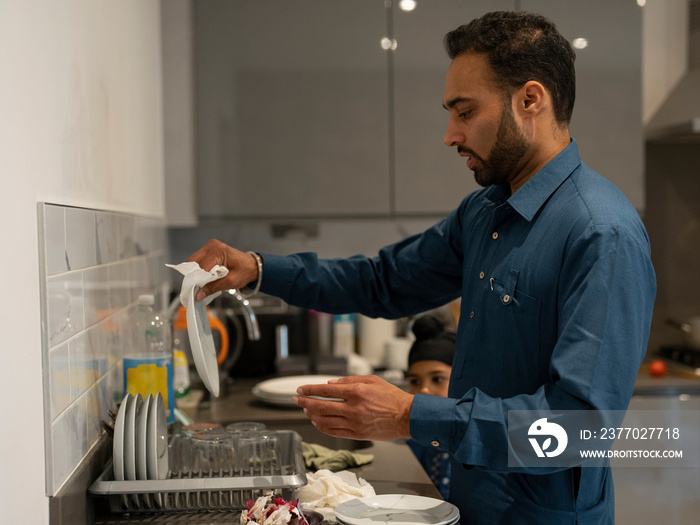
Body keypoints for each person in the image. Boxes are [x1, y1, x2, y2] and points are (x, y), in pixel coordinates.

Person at [186, 10, 656, 524]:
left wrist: (410, 414)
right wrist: (256, 267)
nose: (450, 134)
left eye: (465, 111)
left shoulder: (601, 233)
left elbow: (577, 428)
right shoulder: (484, 213)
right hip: (469, 504)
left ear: (530, 100)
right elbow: (382, 281)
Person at [404, 315, 456, 500]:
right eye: (415, 381)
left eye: (437, 379)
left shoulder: (471, 441)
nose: (424, 389)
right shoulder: (416, 441)